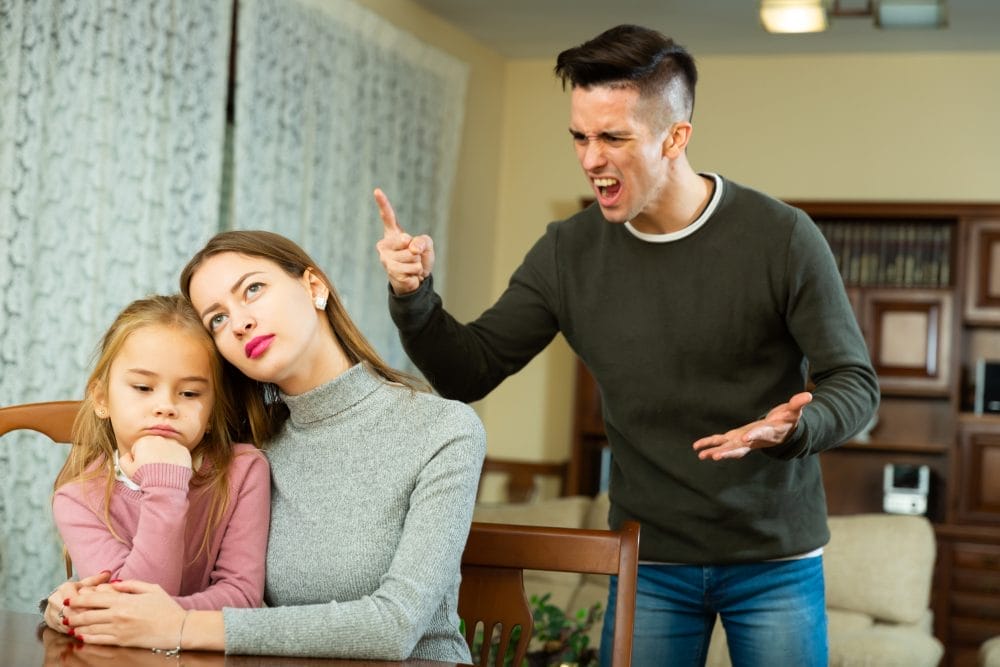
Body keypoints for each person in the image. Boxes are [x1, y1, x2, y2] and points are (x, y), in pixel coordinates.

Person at [375, 24, 879, 667]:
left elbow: (854, 384)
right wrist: (414, 296)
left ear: (675, 137)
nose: (590, 159)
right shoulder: (568, 252)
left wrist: (796, 427)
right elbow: (468, 370)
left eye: (613, 137)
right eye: (580, 137)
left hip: (773, 555)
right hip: (649, 559)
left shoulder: (780, 237)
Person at [48, 231, 486, 663]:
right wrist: (74, 606)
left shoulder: (442, 429)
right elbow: (175, 578)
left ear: (314, 286)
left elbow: (396, 627)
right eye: (217, 318)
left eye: (253, 289)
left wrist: (178, 626)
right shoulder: (249, 446)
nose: (239, 323)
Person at [52, 294, 270, 617]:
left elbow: (241, 595)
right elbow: (130, 609)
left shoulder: (244, 471)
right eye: (143, 387)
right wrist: (166, 486)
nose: (165, 406)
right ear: (101, 399)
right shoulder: (78, 498)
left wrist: (162, 615)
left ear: (212, 413)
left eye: (189, 393)